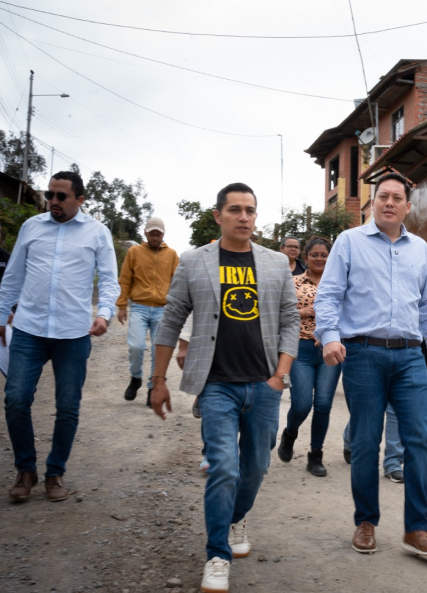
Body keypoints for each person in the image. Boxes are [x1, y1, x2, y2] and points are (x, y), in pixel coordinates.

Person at [149, 182, 299, 592]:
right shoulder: (196, 261)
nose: (244, 217)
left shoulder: (274, 264)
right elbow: (171, 320)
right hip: (216, 386)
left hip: (264, 385)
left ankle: (236, 518)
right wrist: (158, 380)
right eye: (235, 209)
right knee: (223, 466)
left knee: (256, 467)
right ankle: (217, 554)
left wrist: (279, 376)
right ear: (218, 216)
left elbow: (290, 320)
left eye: (250, 210)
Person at [314, 171, 427, 558]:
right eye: (382, 196)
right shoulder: (349, 242)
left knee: (418, 440)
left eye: (396, 197)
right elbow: (329, 295)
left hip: (409, 356)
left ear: (407, 206)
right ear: (373, 204)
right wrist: (330, 336)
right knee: (366, 441)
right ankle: (365, 521)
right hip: (363, 355)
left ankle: (417, 528)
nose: (389, 202)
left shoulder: (420, 249)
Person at [0, 170, 119, 502]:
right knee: (16, 400)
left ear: (79, 200)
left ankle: (55, 474)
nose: (53, 201)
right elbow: (13, 277)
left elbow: (110, 280)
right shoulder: (31, 227)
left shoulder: (98, 233)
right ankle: (26, 470)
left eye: (61, 196)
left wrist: (104, 314)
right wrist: (0, 315)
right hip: (28, 329)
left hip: (73, 333)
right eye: (50, 195)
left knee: (68, 407)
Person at [277, 236, 342, 477]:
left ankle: (316, 455)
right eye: (314, 254)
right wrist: (303, 311)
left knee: (323, 404)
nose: (319, 258)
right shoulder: (293, 282)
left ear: (330, 258)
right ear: (306, 258)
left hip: (330, 350)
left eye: (324, 255)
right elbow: (280, 311)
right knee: (302, 404)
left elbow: (348, 313)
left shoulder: (338, 284)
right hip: (300, 349)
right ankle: (290, 433)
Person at [117, 217, 180, 406]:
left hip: (162, 309)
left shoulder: (172, 255)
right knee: (136, 346)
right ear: (145, 233)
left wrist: (176, 308)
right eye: (151, 233)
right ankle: (135, 377)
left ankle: (152, 387)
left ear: (163, 234)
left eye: (158, 234)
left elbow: (177, 283)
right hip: (139, 306)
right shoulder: (134, 252)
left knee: (157, 350)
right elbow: (125, 278)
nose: (155, 237)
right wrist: (121, 305)